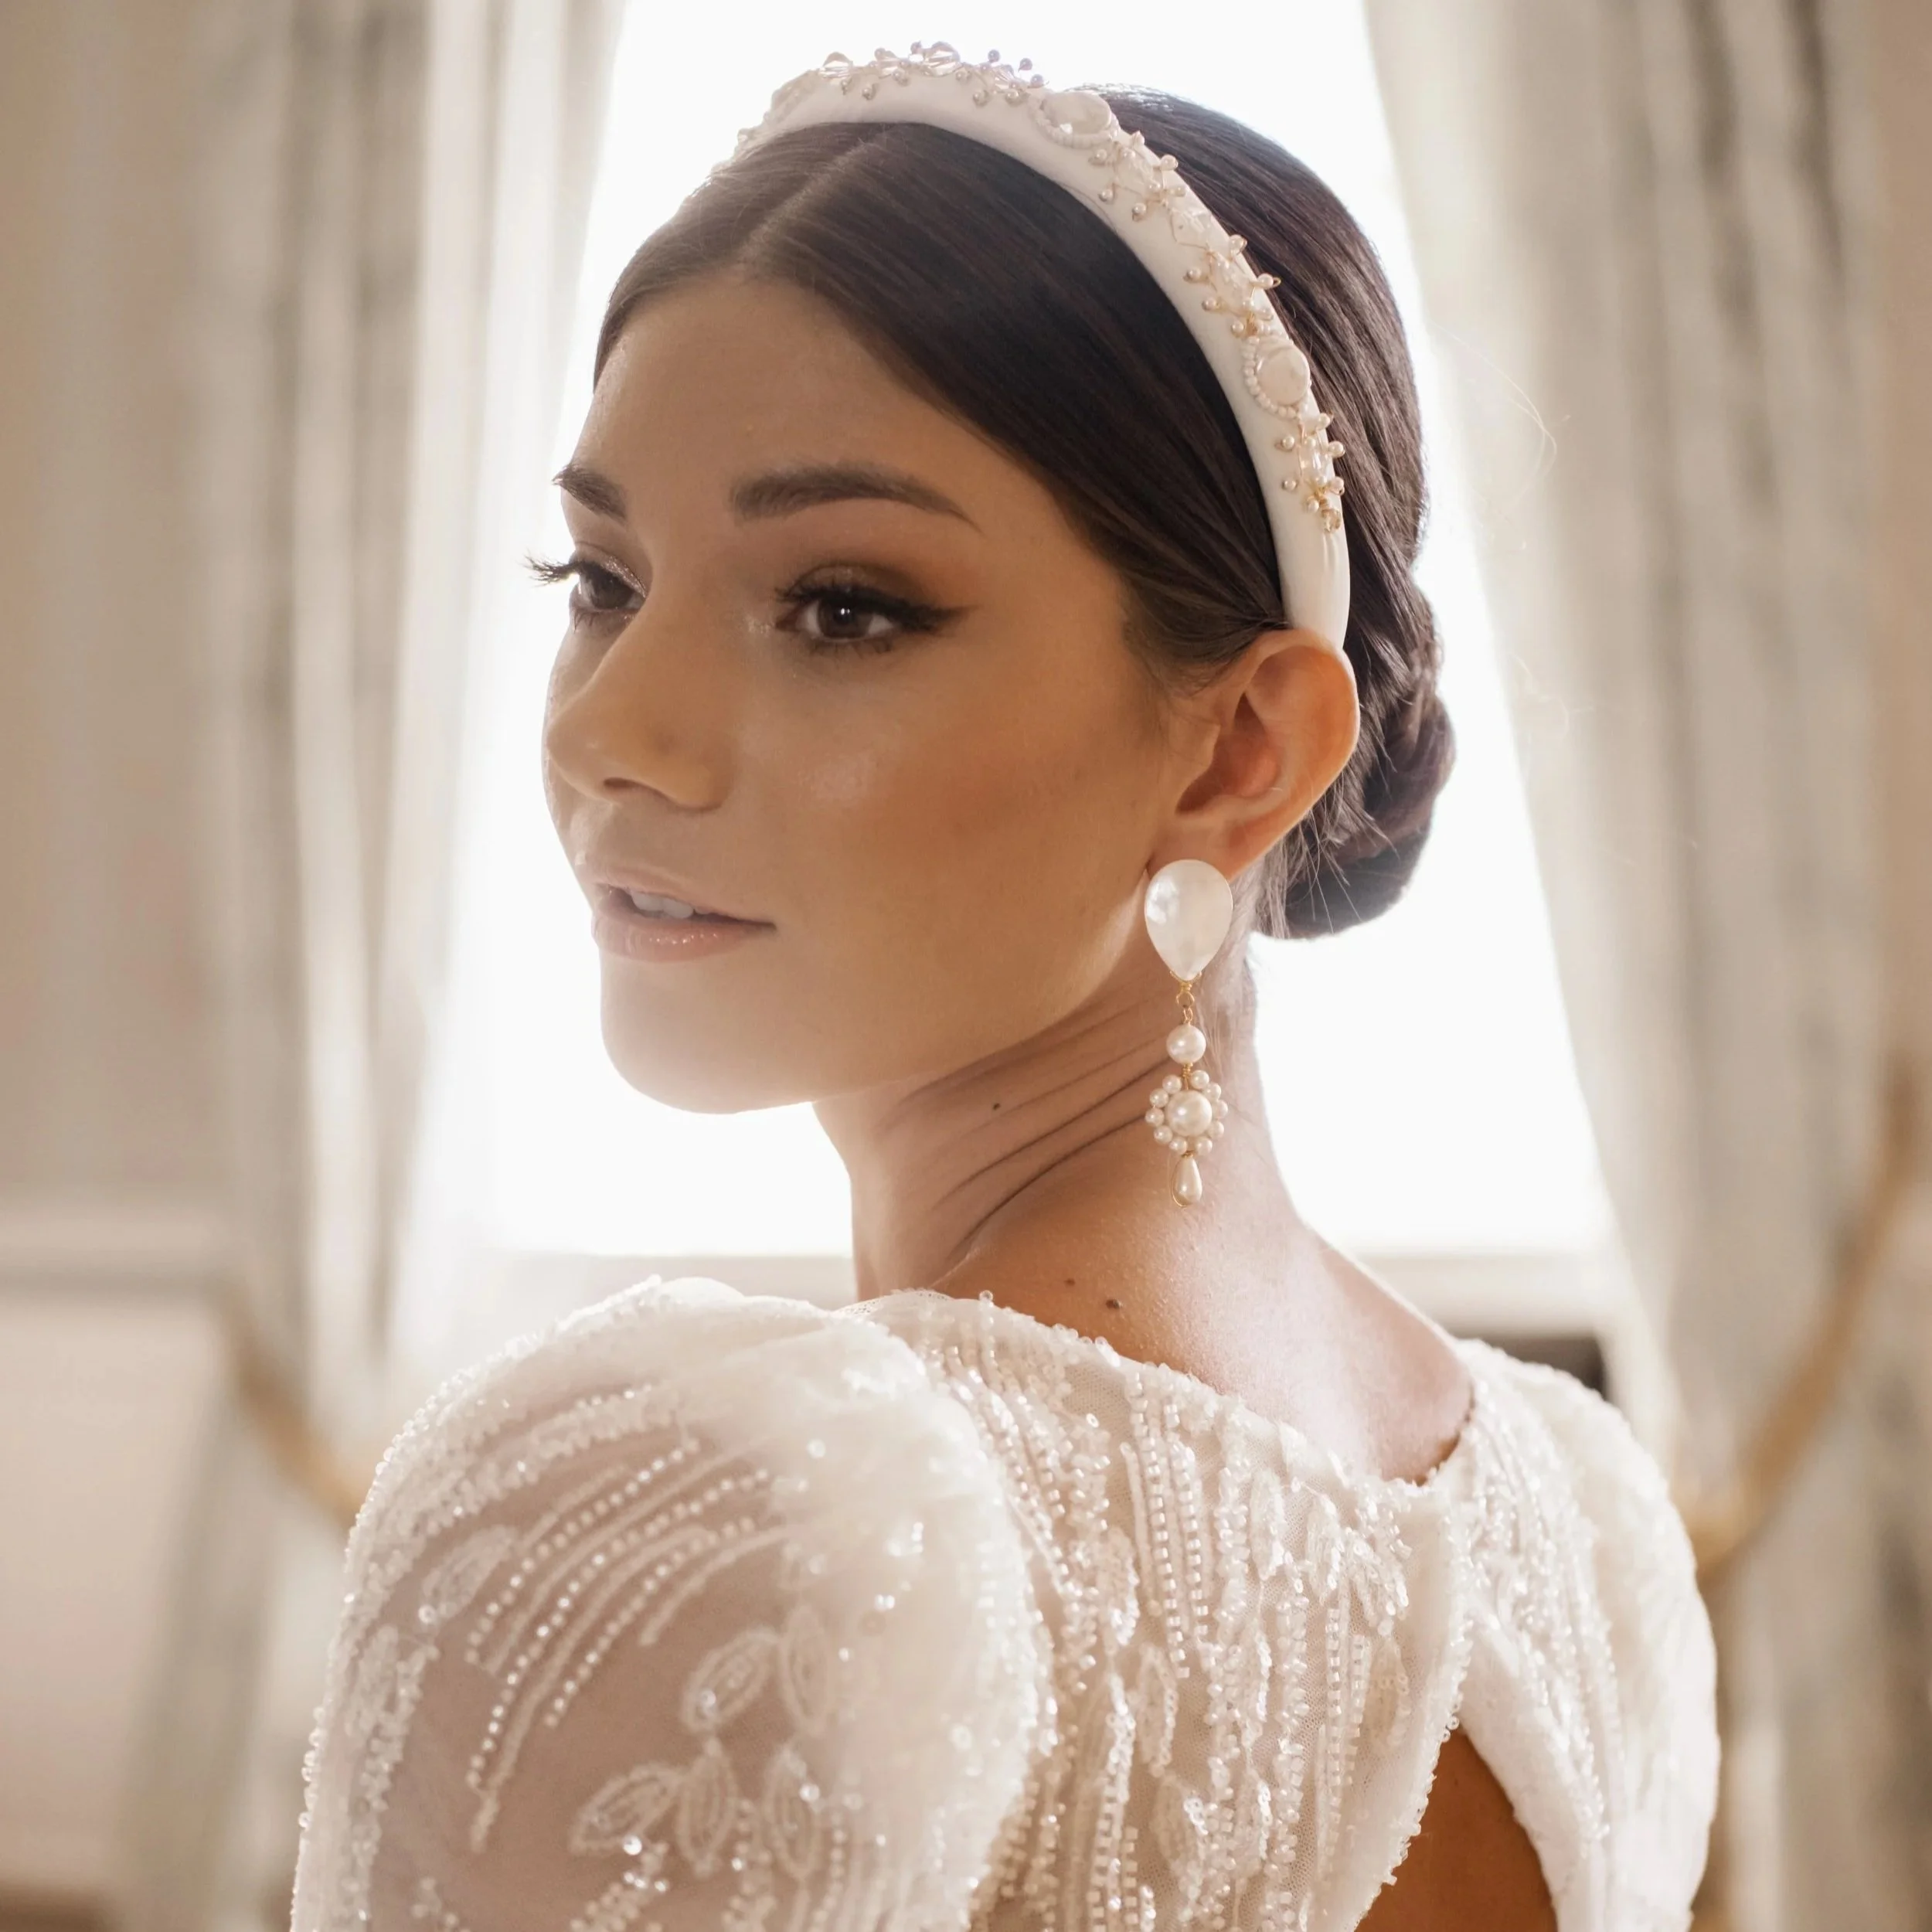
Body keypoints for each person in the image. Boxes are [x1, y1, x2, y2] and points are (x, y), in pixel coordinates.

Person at [291, 46, 1716, 1932]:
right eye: (603, 573)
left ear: (1236, 750)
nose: (612, 730)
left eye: (844, 606)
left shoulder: (730, 1515)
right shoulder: (1585, 1533)